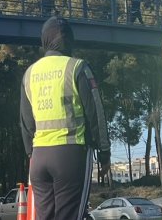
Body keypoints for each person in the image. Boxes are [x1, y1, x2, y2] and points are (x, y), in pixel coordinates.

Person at [20, 16, 110, 220]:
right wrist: (104, 153)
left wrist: (30, 154)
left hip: (39, 159)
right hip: (70, 154)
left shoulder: (30, 73)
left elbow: (25, 123)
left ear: (45, 40)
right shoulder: (77, 67)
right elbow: (95, 112)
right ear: (70, 40)